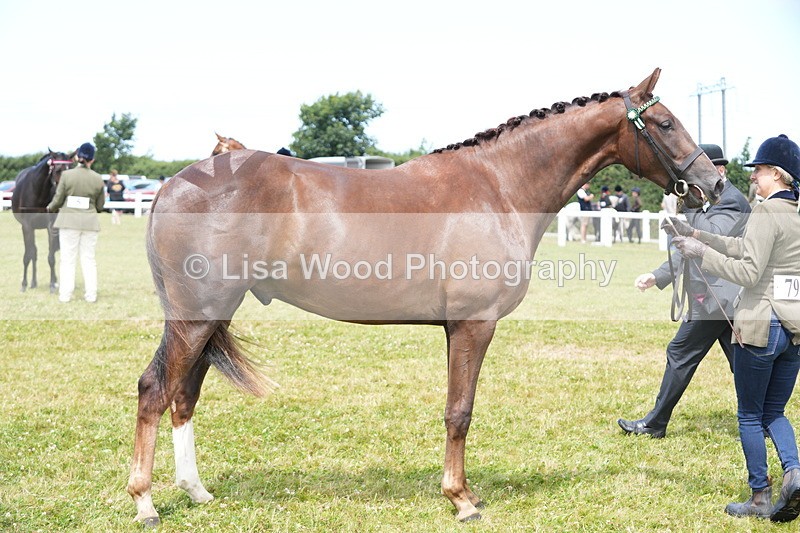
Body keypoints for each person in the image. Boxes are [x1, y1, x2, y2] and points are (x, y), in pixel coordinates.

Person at [672, 134, 800, 522]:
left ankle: (760, 497)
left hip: (761, 325)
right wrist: (696, 235)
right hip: (793, 329)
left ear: (777, 175)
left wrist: (702, 255)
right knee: (775, 411)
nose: (754, 177)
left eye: (759, 170)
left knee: (748, 414)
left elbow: (747, 270)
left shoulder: (765, 213)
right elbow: (745, 248)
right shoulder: (794, 213)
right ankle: (794, 473)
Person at [618, 144, 751, 439]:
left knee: (680, 352)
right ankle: (763, 420)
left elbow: (712, 238)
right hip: (717, 301)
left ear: (719, 170)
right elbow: (687, 250)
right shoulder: (710, 202)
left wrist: (685, 213)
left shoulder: (732, 201)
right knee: (742, 363)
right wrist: (657, 275)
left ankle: (655, 424)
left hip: (719, 301)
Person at [47, 142, 105, 303]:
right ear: (92, 159)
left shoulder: (67, 176)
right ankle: (91, 295)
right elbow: (100, 206)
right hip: (90, 223)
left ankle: (65, 295)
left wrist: (50, 207)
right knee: (88, 259)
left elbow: (58, 200)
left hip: (68, 222)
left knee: (67, 259)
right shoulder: (98, 179)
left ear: (78, 157)